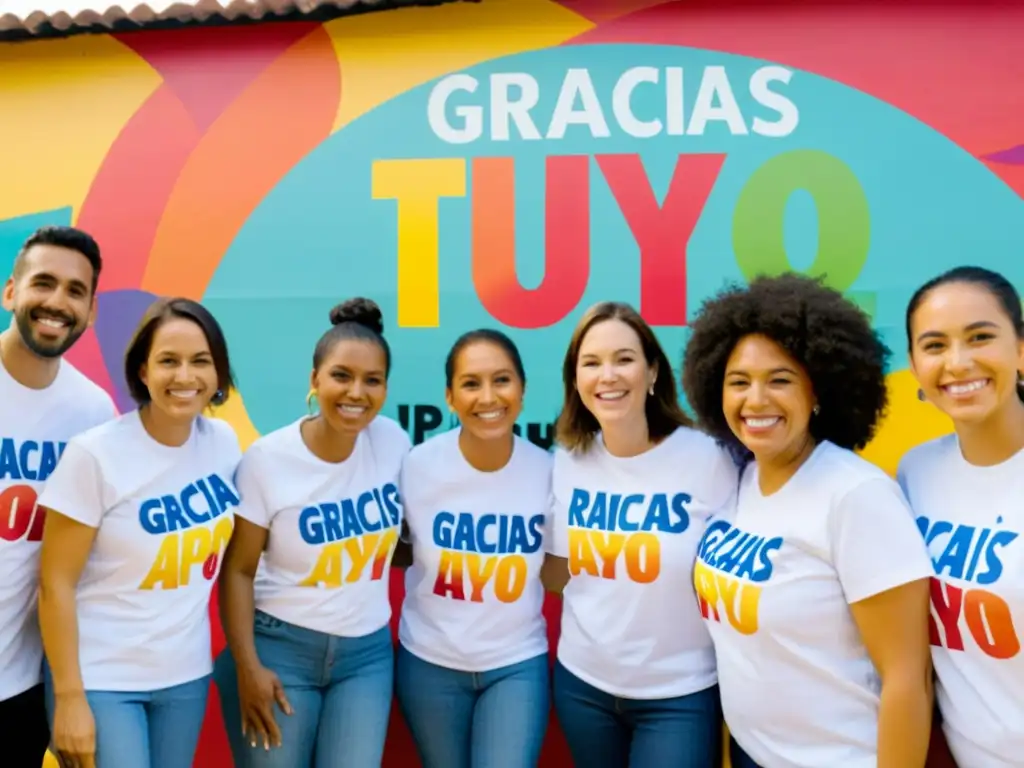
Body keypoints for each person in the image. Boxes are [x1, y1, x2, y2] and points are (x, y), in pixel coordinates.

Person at [682, 273, 934, 768]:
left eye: (779, 379)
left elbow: (909, 677)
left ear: (817, 391)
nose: (755, 401)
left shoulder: (856, 496)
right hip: (753, 753)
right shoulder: (742, 479)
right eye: (739, 382)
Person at [37, 297, 241, 768]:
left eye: (200, 362)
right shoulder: (96, 455)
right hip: (102, 680)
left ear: (218, 375)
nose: (185, 376)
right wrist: (69, 698)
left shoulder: (224, 445)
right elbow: (55, 584)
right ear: (143, 372)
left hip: (184, 678)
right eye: (168, 360)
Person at [214, 298, 410, 768]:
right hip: (279, 650)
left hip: (366, 658)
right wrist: (248, 668)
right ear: (314, 380)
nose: (356, 392)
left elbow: (403, 543)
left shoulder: (393, 442)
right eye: (341, 375)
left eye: (372, 380)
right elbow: (238, 571)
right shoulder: (266, 460)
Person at [544, 301, 737, 768]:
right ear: (576, 380)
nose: (607, 375)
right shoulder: (569, 458)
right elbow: (556, 573)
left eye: (624, 359)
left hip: (680, 695)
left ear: (652, 372)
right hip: (583, 687)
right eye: (591, 363)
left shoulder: (709, 457)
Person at [395, 329, 553, 768]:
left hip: (516, 664)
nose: (488, 397)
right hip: (429, 664)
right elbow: (391, 547)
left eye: (502, 380)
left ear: (522, 389)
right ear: (449, 397)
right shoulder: (415, 467)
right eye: (470, 383)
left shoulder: (549, 471)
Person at [0, 226, 117, 767]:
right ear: (10, 292)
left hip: (18, 685)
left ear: (91, 311)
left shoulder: (92, 413)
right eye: (43, 283)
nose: (56, 302)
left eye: (75, 291)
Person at [898, 266, 1024, 768]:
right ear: (913, 366)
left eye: (980, 337)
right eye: (934, 346)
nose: (958, 362)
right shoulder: (916, 471)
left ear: (1019, 349)